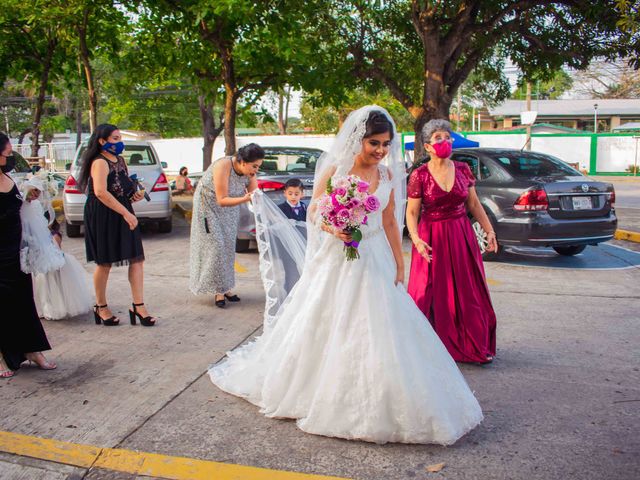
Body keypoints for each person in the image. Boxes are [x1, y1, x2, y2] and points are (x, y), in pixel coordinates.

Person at [209, 107, 483, 445]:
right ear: (359, 139)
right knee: (328, 319)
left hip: (374, 256)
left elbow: (389, 220)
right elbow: (314, 210)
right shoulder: (338, 169)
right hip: (338, 256)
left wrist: (400, 262)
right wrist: (333, 225)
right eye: (374, 143)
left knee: (383, 326)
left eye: (385, 144)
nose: (381, 150)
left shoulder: (385, 176)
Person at [406, 119, 497, 364]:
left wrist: (489, 231)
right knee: (428, 292)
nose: (444, 142)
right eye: (438, 138)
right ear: (427, 146)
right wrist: (416, 239)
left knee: (467, 290)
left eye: (447, 137)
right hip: (430, 236)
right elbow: (412, 212)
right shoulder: (419, 175)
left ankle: (471, 343)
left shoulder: (463, 169)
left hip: (460, 234)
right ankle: (426, 346)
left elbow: (474, 204)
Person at [78, 124, 156, 327]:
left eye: (120, 137)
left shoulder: (120, 160)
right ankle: (101, 306)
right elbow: (101, 192)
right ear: (102, 141)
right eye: (115, 138)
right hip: (103, 213)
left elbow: (124, 191)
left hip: (123, 211)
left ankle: (138, 306)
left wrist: (135, 196)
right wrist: (126, 213)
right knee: (105, 262)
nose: (119, 142)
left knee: (136, 259)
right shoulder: (99, 162)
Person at [0, 132, 56, 378]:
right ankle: (3, 356)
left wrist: (29, 198)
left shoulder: (8, 178)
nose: (10, 157)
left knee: (23, 299)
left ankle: (32, 350)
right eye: (7, 154)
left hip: (16, 249)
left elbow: (17, 209)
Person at [189, 144, 263, 308]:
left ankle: (226, 287)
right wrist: (246, 198)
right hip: (208, 206)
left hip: (231, 208)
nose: (256, 170)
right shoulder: (223, 165)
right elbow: (221, 200)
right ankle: (219, 292)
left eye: (258, 167)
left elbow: (255, 195)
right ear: (243, 161)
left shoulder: (249, 173)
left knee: (228, 246)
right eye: (254, 166)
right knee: (217, 246)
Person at [19, 176, 93, 321]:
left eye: (38, 192)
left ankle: (51, 305)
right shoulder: (19, 204)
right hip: (27, 241)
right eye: (34, 191)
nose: (35, 195)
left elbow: (45, 224)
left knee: (53, 267)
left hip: (42, 240)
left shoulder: (38, 206)